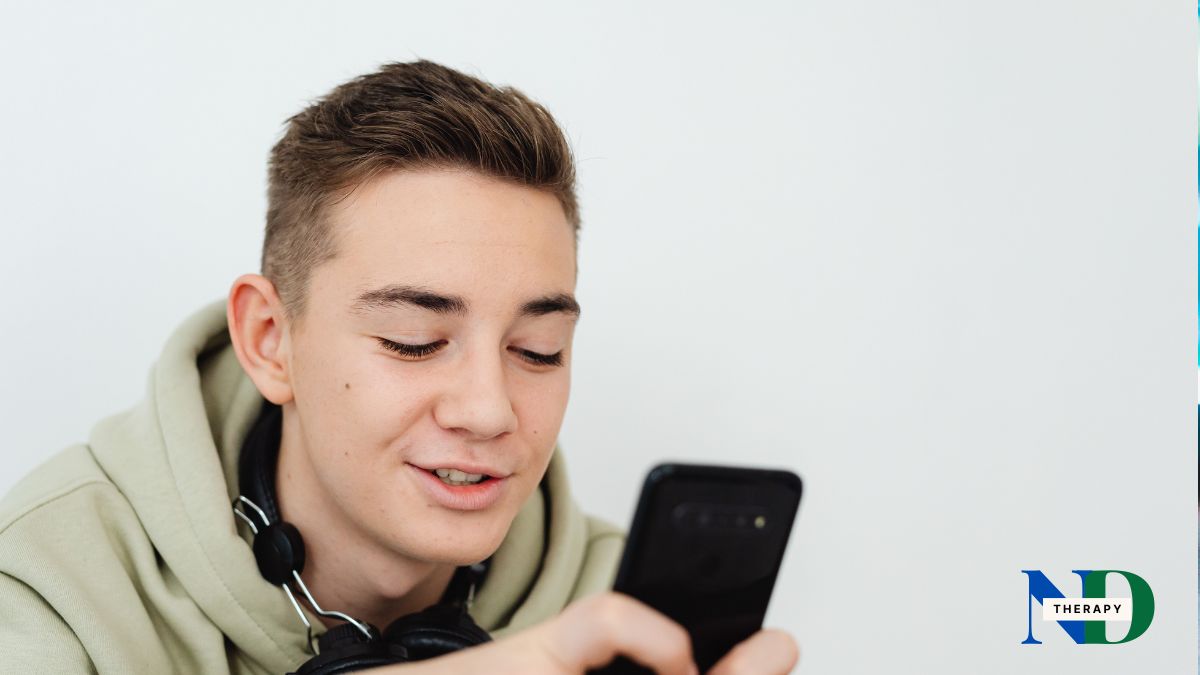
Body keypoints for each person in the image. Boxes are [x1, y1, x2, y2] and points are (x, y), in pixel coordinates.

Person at [0, 60, 798, 674]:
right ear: (271, 339)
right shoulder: (52, 582)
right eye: (414, 340)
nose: (489, 410)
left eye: (538, 349)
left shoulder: (621, 616)